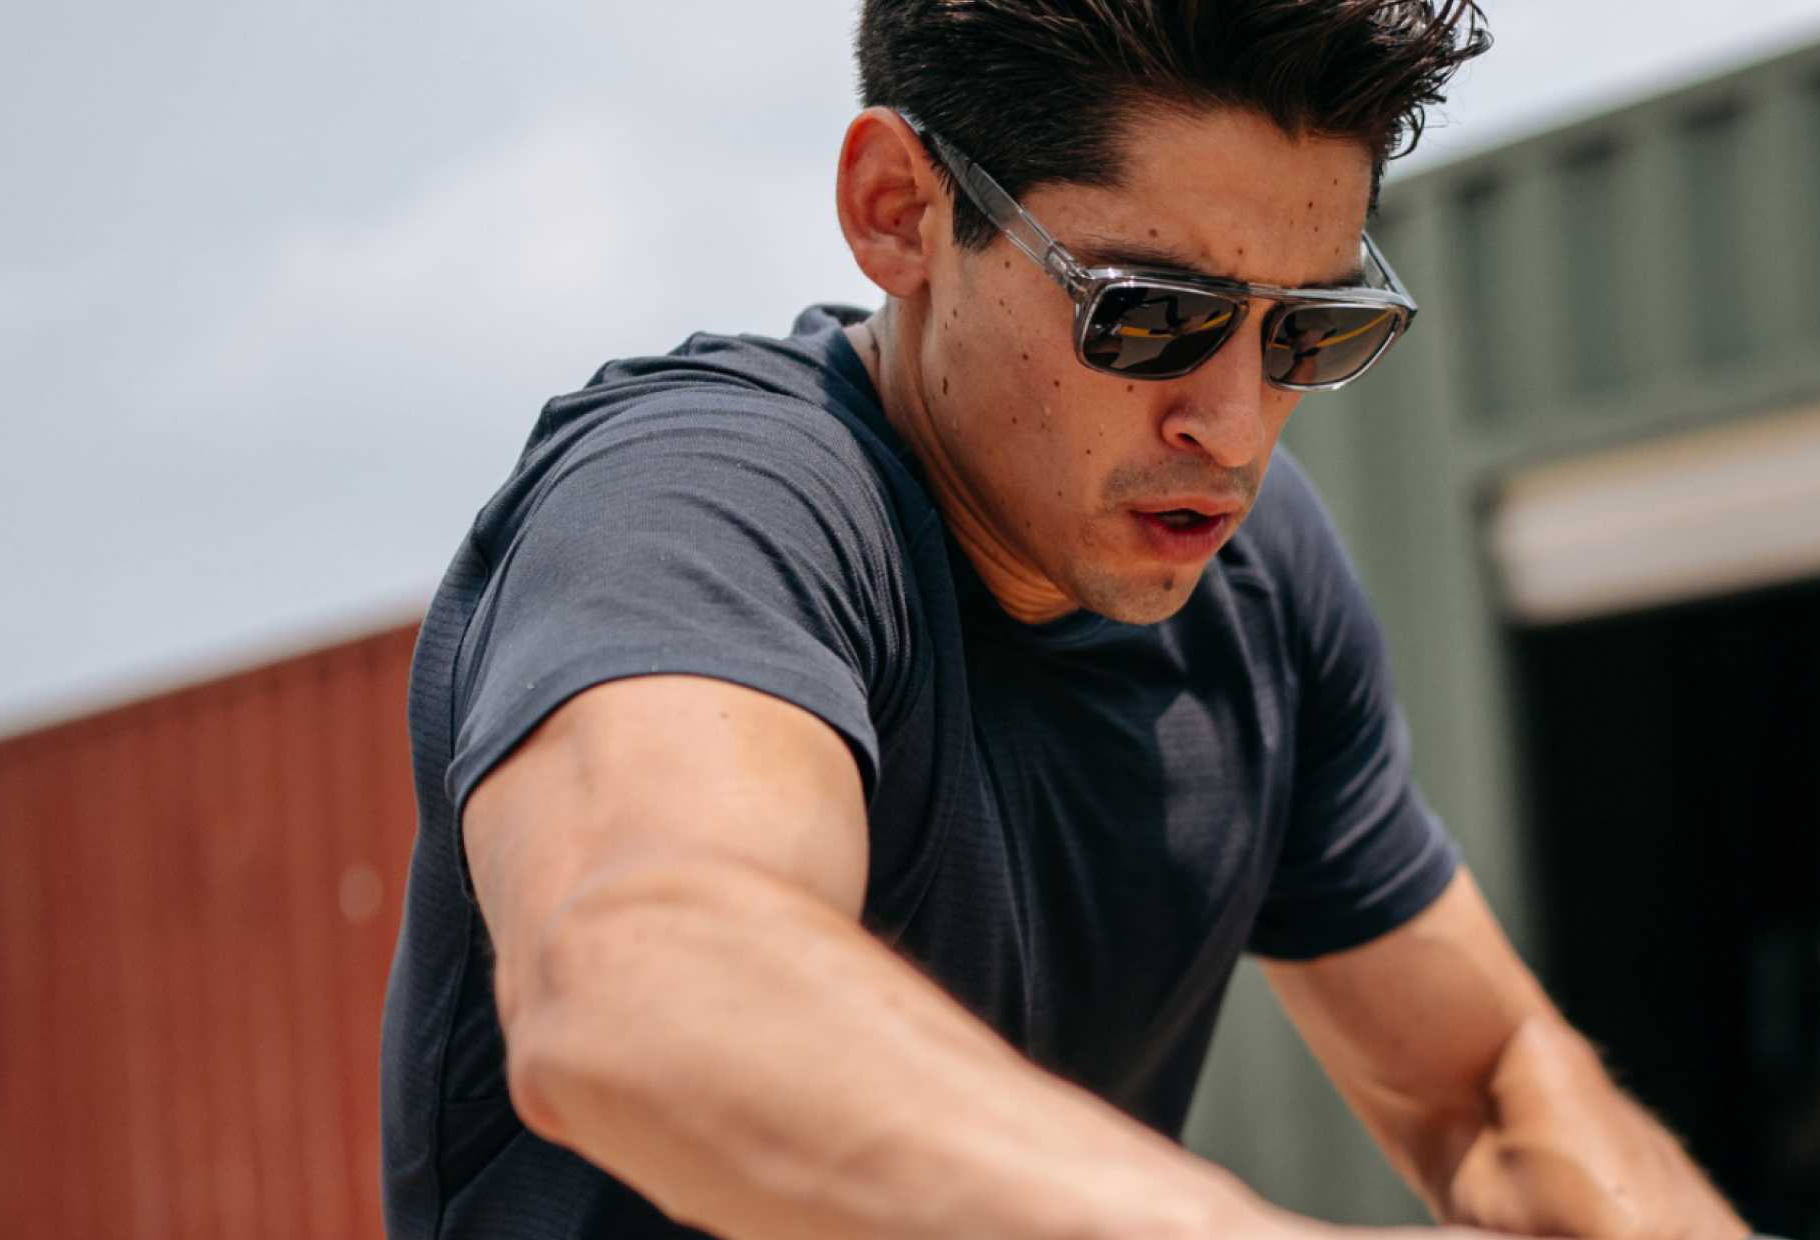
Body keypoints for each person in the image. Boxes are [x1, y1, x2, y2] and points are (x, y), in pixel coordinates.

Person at [380, 2, 1750, 1238]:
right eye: (1151, 317)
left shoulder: (1259, 580)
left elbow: (1490, 1085)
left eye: (1305, 338)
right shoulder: (699, 504)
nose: (1231, 427)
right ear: (898, 211)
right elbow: (645, 983)